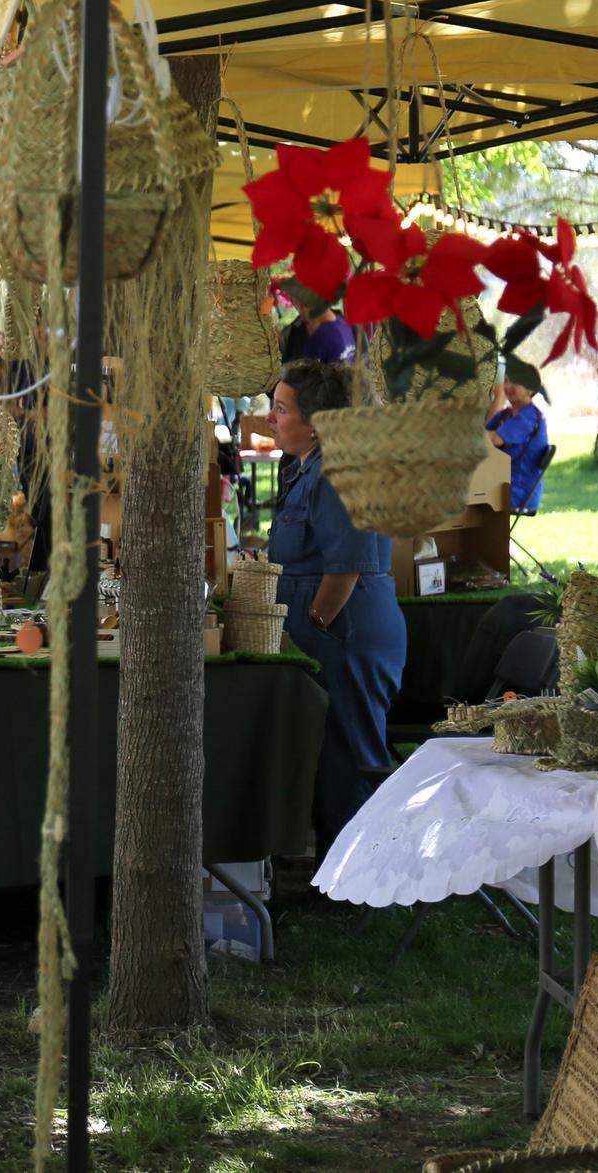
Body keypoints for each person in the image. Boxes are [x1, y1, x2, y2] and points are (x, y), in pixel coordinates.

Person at [266, 360, 408, 854]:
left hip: (346, 635)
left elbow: (345, 568)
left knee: (349, 755)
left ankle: (360, 876)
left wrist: (316, 623)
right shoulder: (308, 466)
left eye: (281, 409)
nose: (270, 418)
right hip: (331, 635)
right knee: (330, 752)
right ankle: (335, 869)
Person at [487, 379, 550, 513]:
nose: (509, 386)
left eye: (516, 381)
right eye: (506, 381)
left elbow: (494, 440)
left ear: (531, 389)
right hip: (498, 486)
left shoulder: (529, 416)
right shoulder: (505, 415)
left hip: (517, 491)